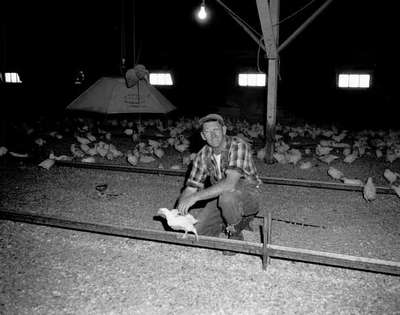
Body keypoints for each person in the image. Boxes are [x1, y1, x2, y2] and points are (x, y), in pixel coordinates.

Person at [177, 113, 262, 253]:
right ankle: (229, 221)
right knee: (198, 233)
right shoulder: (202, 155)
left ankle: (235, 233)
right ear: (203, 136)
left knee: (227, 197)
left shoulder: (238, 146)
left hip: (248, 195)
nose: (213, 135)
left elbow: (229, 184)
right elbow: (191, 188)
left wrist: (195, 197)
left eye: (216, 130)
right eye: (207, 132)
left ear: (224, 130)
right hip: (222, 196)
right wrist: (179, 210)